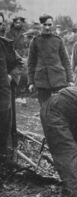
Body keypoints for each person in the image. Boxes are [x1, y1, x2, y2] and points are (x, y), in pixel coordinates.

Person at [27, 14, 74, 106]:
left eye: (49, 25)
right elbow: (31, 63)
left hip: (59, 79)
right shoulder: (35, 41)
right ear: (40, 25)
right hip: (42, 80)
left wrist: (70, 80)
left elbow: (66, 61)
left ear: (52, 25)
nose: (47, 27)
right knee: (45, 109)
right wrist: (31, 82)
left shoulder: (58, 41)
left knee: (62, 107)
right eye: (45, 25)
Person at [0, 12, 23, 179]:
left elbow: (19, 63)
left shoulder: (5, 45)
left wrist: (10, 77)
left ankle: (3, 169)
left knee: (3, 136)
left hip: (3, 99)